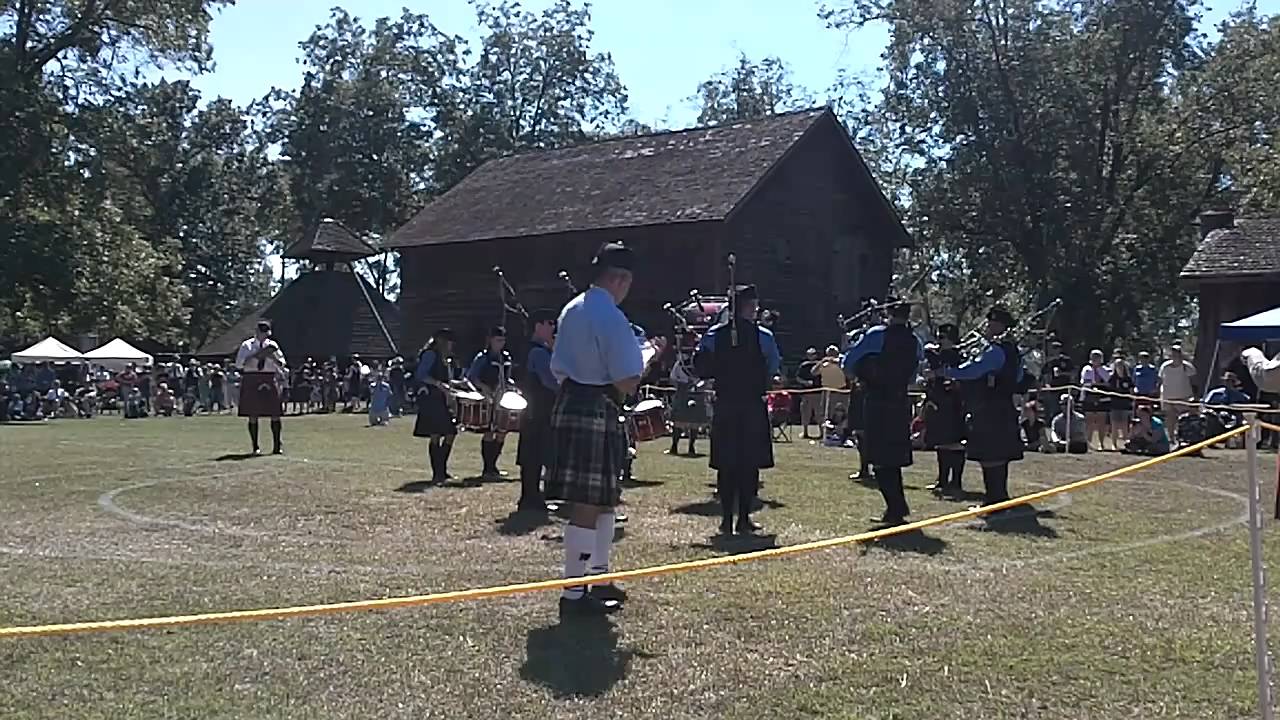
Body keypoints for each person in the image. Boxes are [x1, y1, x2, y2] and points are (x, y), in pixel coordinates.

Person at [546, 241, 663, 616]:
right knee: (588, 503)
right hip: (597, 404)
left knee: (603, 498)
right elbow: (628, 379)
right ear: (619, 279)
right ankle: (574, 594)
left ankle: (597, 578)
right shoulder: (610, 315)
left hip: (572, 401)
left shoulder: (572, 308)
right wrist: (651, 356)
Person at [694, 284, 782, 534]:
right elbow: (773, 366)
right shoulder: (763, 336)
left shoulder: (714, 334)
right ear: (750, 307)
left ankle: (726, 520)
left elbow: (701, 363)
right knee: (748, 463)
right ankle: (743, 518)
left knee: (726, 462)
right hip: (752, 405)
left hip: (725, 404)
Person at [841, 299, 923, 524]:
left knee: (878, 456)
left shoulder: (877, 334)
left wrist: (858, 375)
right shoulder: (915, 341)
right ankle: (897, 506)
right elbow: (915, 372)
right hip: (900, 400)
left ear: (888, 313)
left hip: (877, 399)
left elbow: (849, 361)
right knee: (893, 456)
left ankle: (895, 507)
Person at [942, 307, 1025, 514]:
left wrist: (948, 372)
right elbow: (1019, 377)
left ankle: (994, 501)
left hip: (989, 406)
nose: (988, 327)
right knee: (998, 456)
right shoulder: (1013, 350)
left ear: (1001, 327)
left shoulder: (995, 350)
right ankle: (999, 498)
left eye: (993, 324)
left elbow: (974, 370)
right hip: (1003, 405)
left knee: (991, 455)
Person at [516, 309, 559, 513]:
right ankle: (531, 499)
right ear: (538, 326)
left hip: (531, 408)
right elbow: (550, 381)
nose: (553, 327)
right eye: (549, 323)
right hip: (540, 409)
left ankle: (530, 497)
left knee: (532, 455)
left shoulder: (529, 349)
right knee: (535, 455)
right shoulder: (539, 352)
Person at [922, 323, 967, 496]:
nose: (939, 341)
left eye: (943, 338)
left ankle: (956, 481)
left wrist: (940, 374)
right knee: (940, 443)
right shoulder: (937, 356)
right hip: (938, 401)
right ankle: (942, 479)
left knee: (955, 444)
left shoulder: (959, 356)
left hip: (954, 403)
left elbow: (959, 376)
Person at [467, 326, 515, 478]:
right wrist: (484, 388)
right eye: (498, 340)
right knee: (488, 432)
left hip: (503, 398)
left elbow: (507, 376)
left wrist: (511, 386)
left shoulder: (506, 357)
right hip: (488, 398)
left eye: (503, 340)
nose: (501, 344)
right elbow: (472, 377)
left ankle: (494, 466)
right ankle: (487, 468)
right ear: (491, 340)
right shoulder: (483, 358)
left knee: (502, 431)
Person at [414, 329, 460, 483]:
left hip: (443, 399)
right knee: (435, 435)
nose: (451, 345)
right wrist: (439, 385)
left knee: (450, 433)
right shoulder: (430, 355)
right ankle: (437, 472)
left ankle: (442, 469)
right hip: (432, 399)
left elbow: (447, 379)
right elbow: (421, 375)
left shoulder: (447, 359)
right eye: (448, 341)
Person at [235, 320, 286, 454]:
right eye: (262, 333)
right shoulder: (247, 345)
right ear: (257, 332)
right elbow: (239, 364)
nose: (265, 336)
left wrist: (272, 357)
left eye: (267, 333)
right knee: (253, 413)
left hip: (269, 377)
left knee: (275, 413)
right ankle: (255, 446)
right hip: (252, 378)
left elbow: (282, 363)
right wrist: (255, 356)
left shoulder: (272, 345)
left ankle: (277, 446)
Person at [666, 354, 707, 456]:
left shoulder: (700, 361)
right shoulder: (681, 363)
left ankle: (690, 448)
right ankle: (675, 447)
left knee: (694, 422)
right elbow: (673, 379)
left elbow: (706, 378)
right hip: (684, 392)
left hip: (695, 392)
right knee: (678, 421)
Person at [1079, 349, 1112, 451]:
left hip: (1102, 396)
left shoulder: (1106, 369)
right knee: (1089, 421)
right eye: (1094, 357)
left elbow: (1108, 381)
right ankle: (1088, 443)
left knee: (1101, 421)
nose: (1095, 359)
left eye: (1098, 357)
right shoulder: (1086, 369)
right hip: (1089, 395)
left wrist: (1099, 381)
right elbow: (1084, 382)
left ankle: (1101, 443)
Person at [1158, 345, 1197, 420]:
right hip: (1168, 399)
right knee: (1170, 420)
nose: (1175, 355)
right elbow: (1160, 380)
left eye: (1177, 353)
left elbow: (1194, 382)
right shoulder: (1165, 366)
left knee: (1183, 419)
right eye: (1173, 353)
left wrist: (1195, 396)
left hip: (1183, 398)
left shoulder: (1187, 367)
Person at [795, 347, 822, 439]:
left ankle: (822, 432)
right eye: (809, 354)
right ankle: (805, 432)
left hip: (818, 393)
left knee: (819, 414)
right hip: (806, 393)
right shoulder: (803, 365)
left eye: (813, 354)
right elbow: (798, 378)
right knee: (805, 413)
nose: (811, 356)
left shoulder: (820, 365)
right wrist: (805, 382)